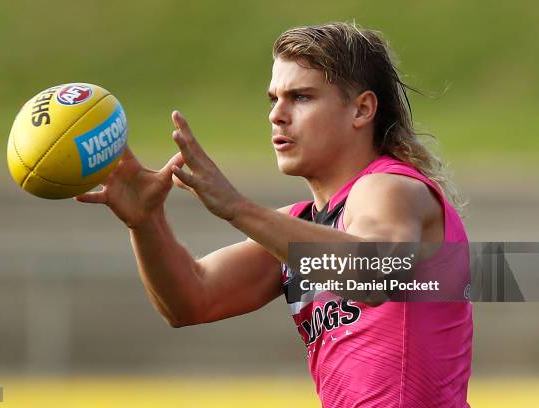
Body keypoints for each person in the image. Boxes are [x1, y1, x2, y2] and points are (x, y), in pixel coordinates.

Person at [75, 22, 472, 408]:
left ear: (362, 109)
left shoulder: (389, 187)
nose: (277, 115)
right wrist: (146, 222)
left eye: (301, 97)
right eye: (274, 99)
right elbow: (191, 299)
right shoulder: (299, 223)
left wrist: (237, 207)